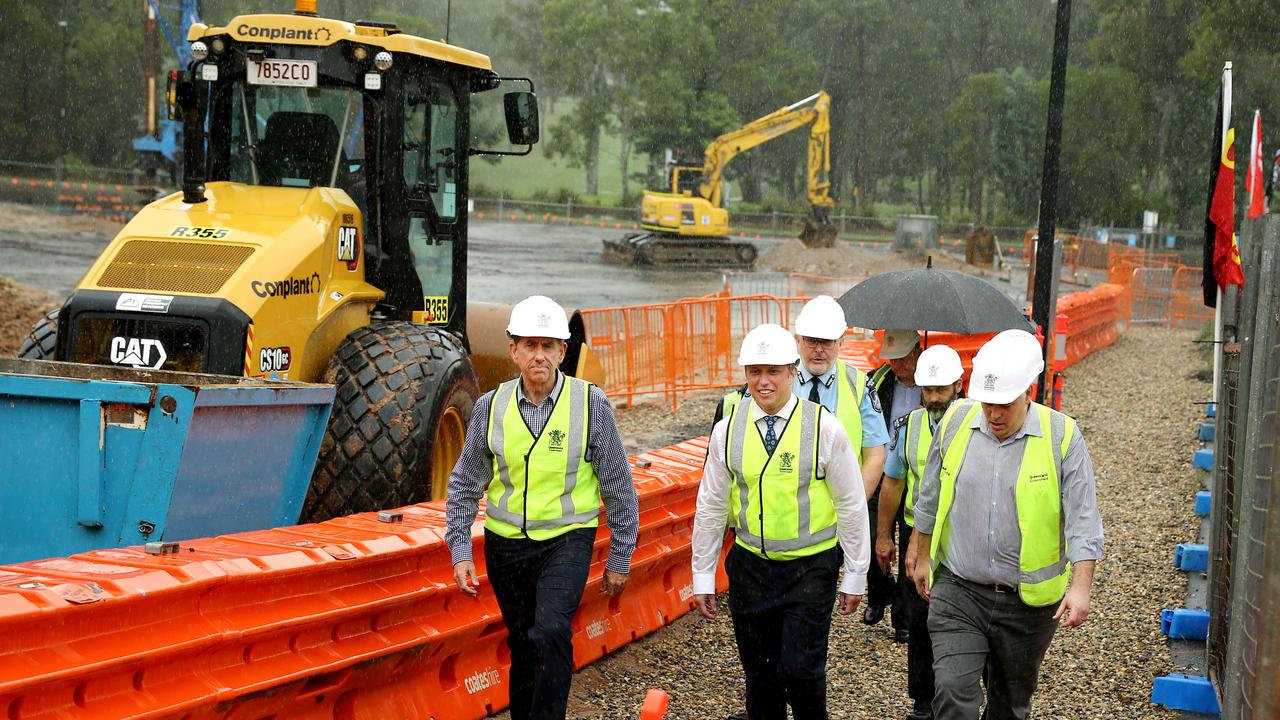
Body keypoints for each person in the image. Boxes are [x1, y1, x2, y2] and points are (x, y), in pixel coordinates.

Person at [444, 295, 640, 720]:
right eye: (529, 345)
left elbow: (619, 487)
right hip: (506, 547)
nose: (538, 355)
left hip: (567, 543)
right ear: (512, 350)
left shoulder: (591, 405)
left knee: (550, 631)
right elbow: (463, 485)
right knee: (522, 641)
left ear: (562, 352)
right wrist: (459, 550)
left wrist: (621, 556)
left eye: (548, 346)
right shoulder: (489, 407)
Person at [910, 331, 1103, 720]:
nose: (994, 414)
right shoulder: (955, 423)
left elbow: (1083, 517)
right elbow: (929, 494)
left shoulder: (1062, 436)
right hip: (959, 591)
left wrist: (1080, 588)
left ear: (1028, 392)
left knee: (1010, 707)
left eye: (1004, 405)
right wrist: (920, 554)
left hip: (1028, 605)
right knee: (951, 693)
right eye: (987, 404)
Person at [692, 323, 870, 720]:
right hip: (751, 570)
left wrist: (856, 573)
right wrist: (702, 575)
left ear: (793, 371)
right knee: (761, 678)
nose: (763, 381)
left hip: (811, 570)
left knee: (802, 672)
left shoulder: (824, 428)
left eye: (773, 371)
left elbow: (852, 505)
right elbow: (711, 506)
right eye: (755, 372)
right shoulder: (727, 431)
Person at [877, 344, 965, 720]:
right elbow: (893, 483)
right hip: (916, 533)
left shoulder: (976, 423)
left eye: (940, 390)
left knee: (960, 618)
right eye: (927, 390)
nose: (933, 398)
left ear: (958, 386)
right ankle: (923, 701)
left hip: (960, 534)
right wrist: (884, 536)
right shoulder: (909, 427)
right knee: (920, 619)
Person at [864, 328, 924, 630]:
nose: (896, 366)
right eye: (892, 359)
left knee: (911, 546)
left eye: (901, 359)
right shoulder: (878, 381)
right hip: (881, 473)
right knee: (877, 538)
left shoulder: (933, 386)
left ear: (916, 352)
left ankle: (902, 615)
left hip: (913, 477)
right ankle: (877, 596)